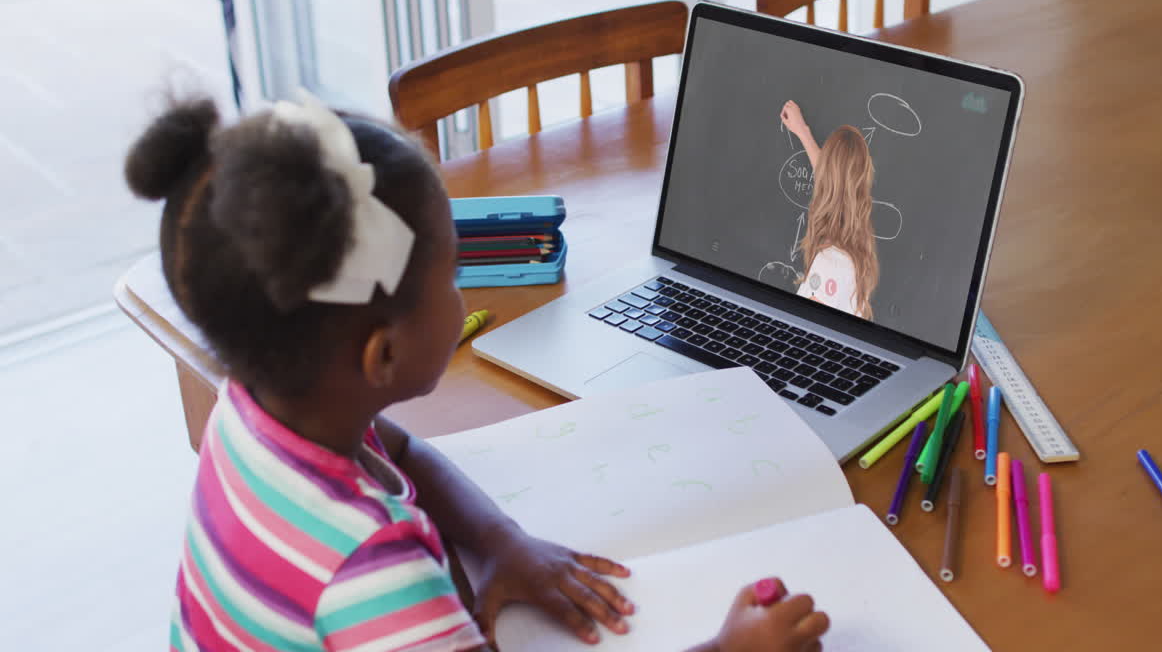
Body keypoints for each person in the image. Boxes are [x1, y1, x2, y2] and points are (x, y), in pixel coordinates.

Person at [126, 92, 830, 651]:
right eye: (454, 275)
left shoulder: (252, 412)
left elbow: (400, 451)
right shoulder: (377, 578)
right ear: (383, 355)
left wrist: (500, 542)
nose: (466, 296)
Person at [779, 100, 879, 320]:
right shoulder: (855, 249)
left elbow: (805, 334)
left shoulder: (830, 264)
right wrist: (803, 132)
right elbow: (834, 184)